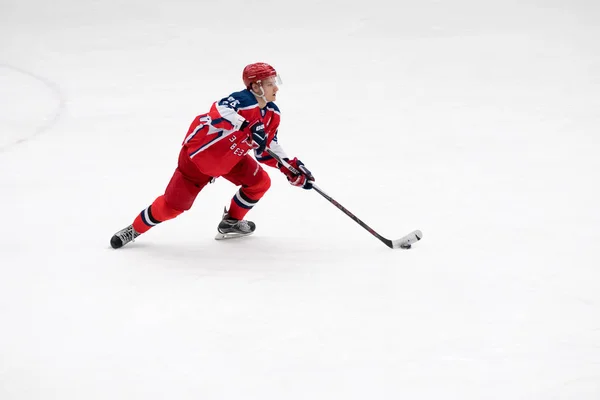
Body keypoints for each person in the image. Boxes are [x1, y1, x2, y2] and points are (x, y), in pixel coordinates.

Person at [110, 62, 315, 249]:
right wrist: (245, 125)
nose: (276, 88)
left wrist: (290, 168)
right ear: (255, 87)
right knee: (172, 208)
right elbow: (219, 109)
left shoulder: (273, 114)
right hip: (197, 161)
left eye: (274, 82)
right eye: (270, 84)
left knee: (260, 182)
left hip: (231, 160)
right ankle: (134, 229)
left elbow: (267, 148)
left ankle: (231, 223)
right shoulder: (242, 101)